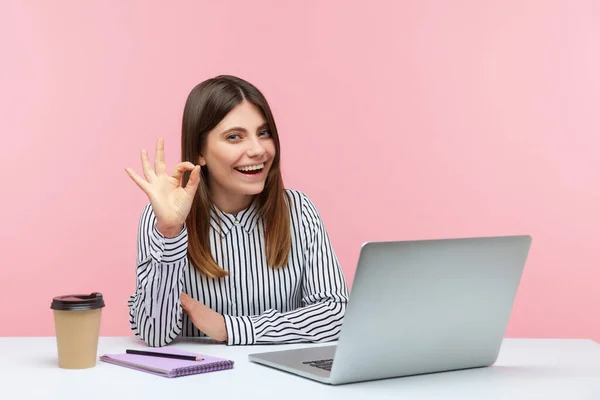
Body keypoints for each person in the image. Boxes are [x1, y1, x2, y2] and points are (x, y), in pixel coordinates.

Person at [125, 75, 349, 347]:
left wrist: (229, 328)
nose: (258, 150)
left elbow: (336, 315)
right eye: (235, 137)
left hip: (286, 384)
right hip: (196, 384)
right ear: (200, 153)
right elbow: (155, 335)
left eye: (263, 133)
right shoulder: (161, 219)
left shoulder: (299, 211)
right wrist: (170, 233)